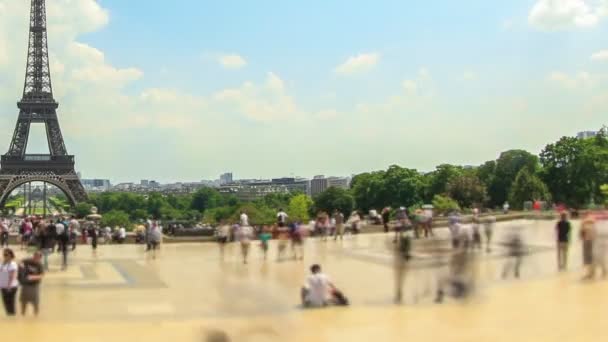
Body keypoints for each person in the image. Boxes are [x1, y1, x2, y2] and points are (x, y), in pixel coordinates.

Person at [18, 251, 44, 316]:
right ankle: (22, 315)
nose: (36, 258)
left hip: (34, 285)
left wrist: (33, 277)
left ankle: (36, 316)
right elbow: (20, 262)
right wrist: (21, 267)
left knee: (35, 302)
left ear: (40, 258)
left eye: (38, 257)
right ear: (33, 256)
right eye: (35, 256)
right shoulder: (27, 261)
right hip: (26, 284)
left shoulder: (40, 265)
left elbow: (42, 275)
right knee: (23, 301)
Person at [0, 248, 18, 316]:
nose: (5, 256)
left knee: (11, 303)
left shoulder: (12, 264)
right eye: (4, 254)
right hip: (3, 285)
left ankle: (12, 317)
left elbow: (12, 276)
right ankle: (10, 318)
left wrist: (9, 286)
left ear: (10, 255)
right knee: (5, 303)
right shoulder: (2, 264)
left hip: (11, 286)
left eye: (6, 254)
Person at [580, 215, 597, 280]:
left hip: (587, 242)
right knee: (591, 258)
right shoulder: (593, 226)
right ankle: (591, 273)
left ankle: (589, 273)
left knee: (587, 259)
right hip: (591, 242)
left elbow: (581, 234)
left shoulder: (584, 225)